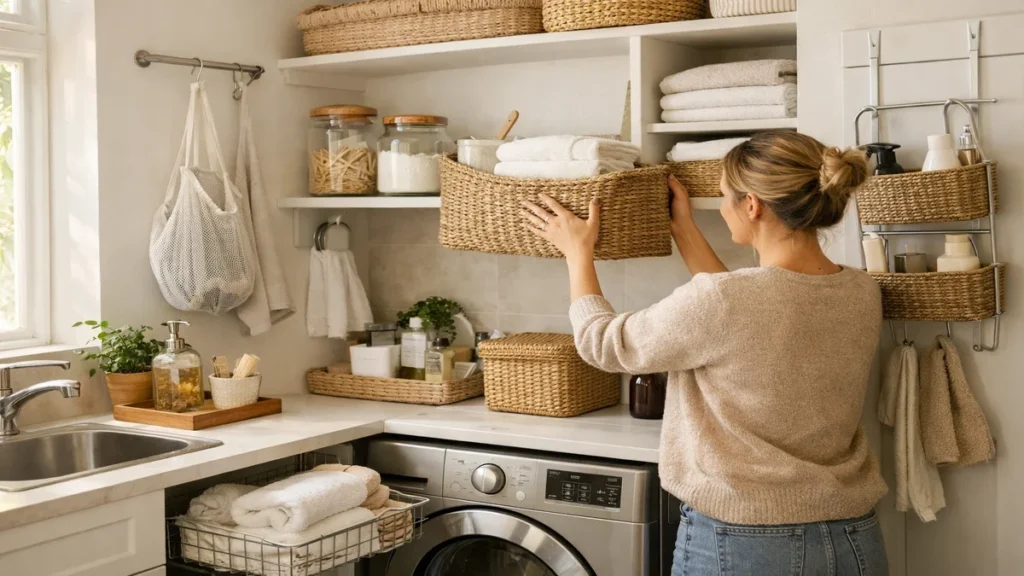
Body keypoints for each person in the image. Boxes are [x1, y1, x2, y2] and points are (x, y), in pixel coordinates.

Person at [519, 131, 889, 576]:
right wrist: (684, 229)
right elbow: (746, 317)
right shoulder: (861, 290)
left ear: (752, 205)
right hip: (853, 538)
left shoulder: (728, 300)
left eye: (723, 196)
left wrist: (577, 253)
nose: (721, 205)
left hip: (746, 541)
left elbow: (604, 343)